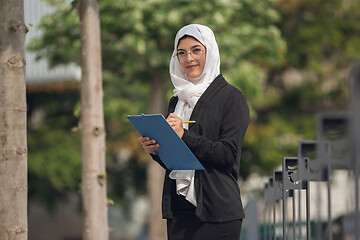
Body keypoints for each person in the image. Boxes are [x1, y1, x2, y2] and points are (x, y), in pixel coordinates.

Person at [139, 24, 250, 240]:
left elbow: (228, 154)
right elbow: (177, 161)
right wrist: (155, 149)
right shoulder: (177, 100)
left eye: (196, 50)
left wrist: (185, 135)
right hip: (180, 212)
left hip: (217, 212)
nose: (189, 58)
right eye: (182, 53)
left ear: (210, 51)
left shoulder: (231, 98)